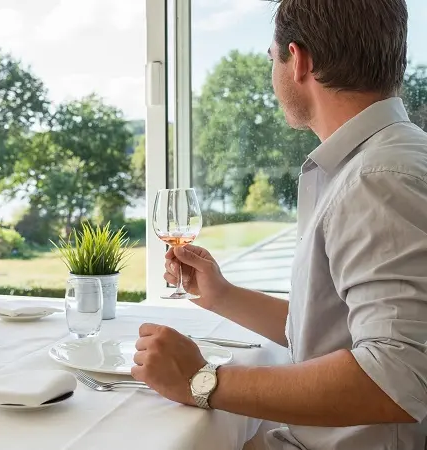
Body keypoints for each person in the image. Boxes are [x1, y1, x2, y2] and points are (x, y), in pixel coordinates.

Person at [131, 0, 427, 449]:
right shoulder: (381, 161)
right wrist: (223, 296)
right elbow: (339, 333)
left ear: (299, 61)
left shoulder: (377, 178)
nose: (273, 74)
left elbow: (396, 376)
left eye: (273, 59)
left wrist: (201, 380)